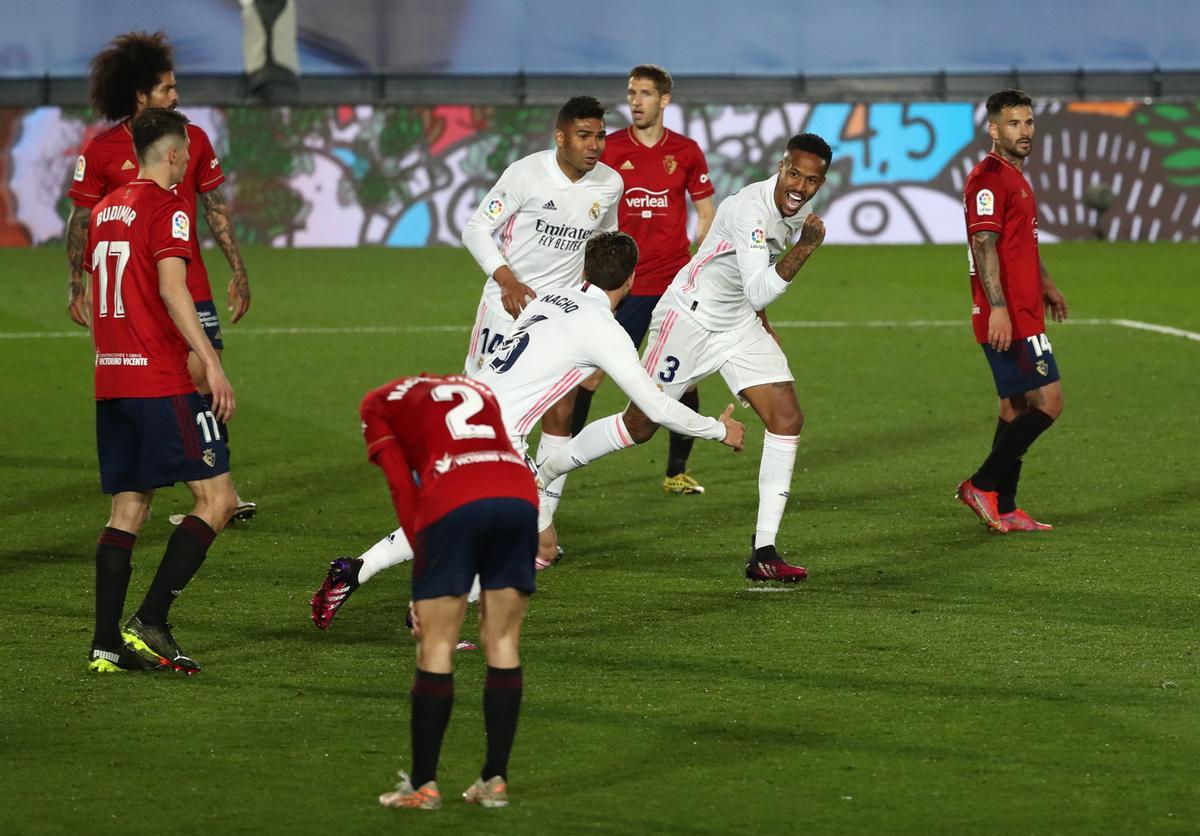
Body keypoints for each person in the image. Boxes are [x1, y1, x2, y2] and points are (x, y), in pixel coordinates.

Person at [310, 232, 744, 628]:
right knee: (525, 544)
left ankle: (355, 568)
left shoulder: (549, 299)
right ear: (631, 280)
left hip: (458, 415)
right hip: (498, 438)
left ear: (584, 269)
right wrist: (716, 430)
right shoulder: (604, 330)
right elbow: (652, 404)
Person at [316, 96, 625, 607]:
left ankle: (538, 527)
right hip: (507, 310)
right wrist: (505, 277)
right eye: (585, 136)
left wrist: (589, 307)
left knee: (560, 414)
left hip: (557, 317)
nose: (595, 146)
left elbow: (602, 243)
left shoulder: (608, 184)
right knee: (483, 424)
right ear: (561, 136)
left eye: (600, 137)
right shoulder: (526, 175)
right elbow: (475, 227)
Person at [535, 134, 833, 583]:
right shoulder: (752, 209)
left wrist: (765, 325)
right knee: (640, 426)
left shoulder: (793, 214)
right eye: (794, 174)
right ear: (781, 165)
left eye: (812, 181)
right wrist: (806, 247)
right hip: (688, 319)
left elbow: (751, 282)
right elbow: (758, 284)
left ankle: (764, 550)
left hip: (737, 324)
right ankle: (547, 469)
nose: (800, 187)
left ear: (821, 181)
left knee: (787, 417)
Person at [65, 31, 256, 523]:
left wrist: (239, 269)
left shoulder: (191, 139)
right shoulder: (103, 151)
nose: (177, 95)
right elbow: (82, 221)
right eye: (167, 89)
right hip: (136, 303)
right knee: (172, 383)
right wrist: (76, 282)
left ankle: (217, 490)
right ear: (139, 94)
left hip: (190, 291)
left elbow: (213, 206)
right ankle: (197, 490)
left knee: (202, 379)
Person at [85, 107, 238, 675]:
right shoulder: (169, 206)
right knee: (217, 500)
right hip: (159, 380)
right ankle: (151, 619)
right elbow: (175, 290)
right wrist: (211, 365)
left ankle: (105, 644)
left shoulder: (105, 209)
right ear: (175, 154)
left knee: (129, 508)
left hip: (112, 377)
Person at [361, 374, 539, 811]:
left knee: (436, 646)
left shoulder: (376, 404)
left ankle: (423, 786)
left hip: (455, 497)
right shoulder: (474, 387)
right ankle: (493, 780)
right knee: (502, 641)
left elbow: (404, 487)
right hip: (519, 494)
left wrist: (424, 569)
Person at [570, 64, 717, 496]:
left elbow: (706, 213)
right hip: (624, 285)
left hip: (674, 285)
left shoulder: (687, 152)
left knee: (683, 379)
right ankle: (562, 457)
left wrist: (696, 261)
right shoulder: (612, 149)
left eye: (645, 93)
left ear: (664, 99)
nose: (635, 100)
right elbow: (586, 204)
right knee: (591, 373)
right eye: (631, 92)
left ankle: (675, 472)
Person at [955, 89, 1068, 532]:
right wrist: (997, 309)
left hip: (1024, 307)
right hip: (1009, 315)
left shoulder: (1015, 177)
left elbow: (1020, 244)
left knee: (1014, 409)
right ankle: (982, 485)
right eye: (1015, 124)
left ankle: (1005, 506)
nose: (1025, 131)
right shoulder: (988, 178)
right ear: (994, 129)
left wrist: (1047, 285)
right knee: (1049, 404)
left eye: (1029, 122)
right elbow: (983, 243)